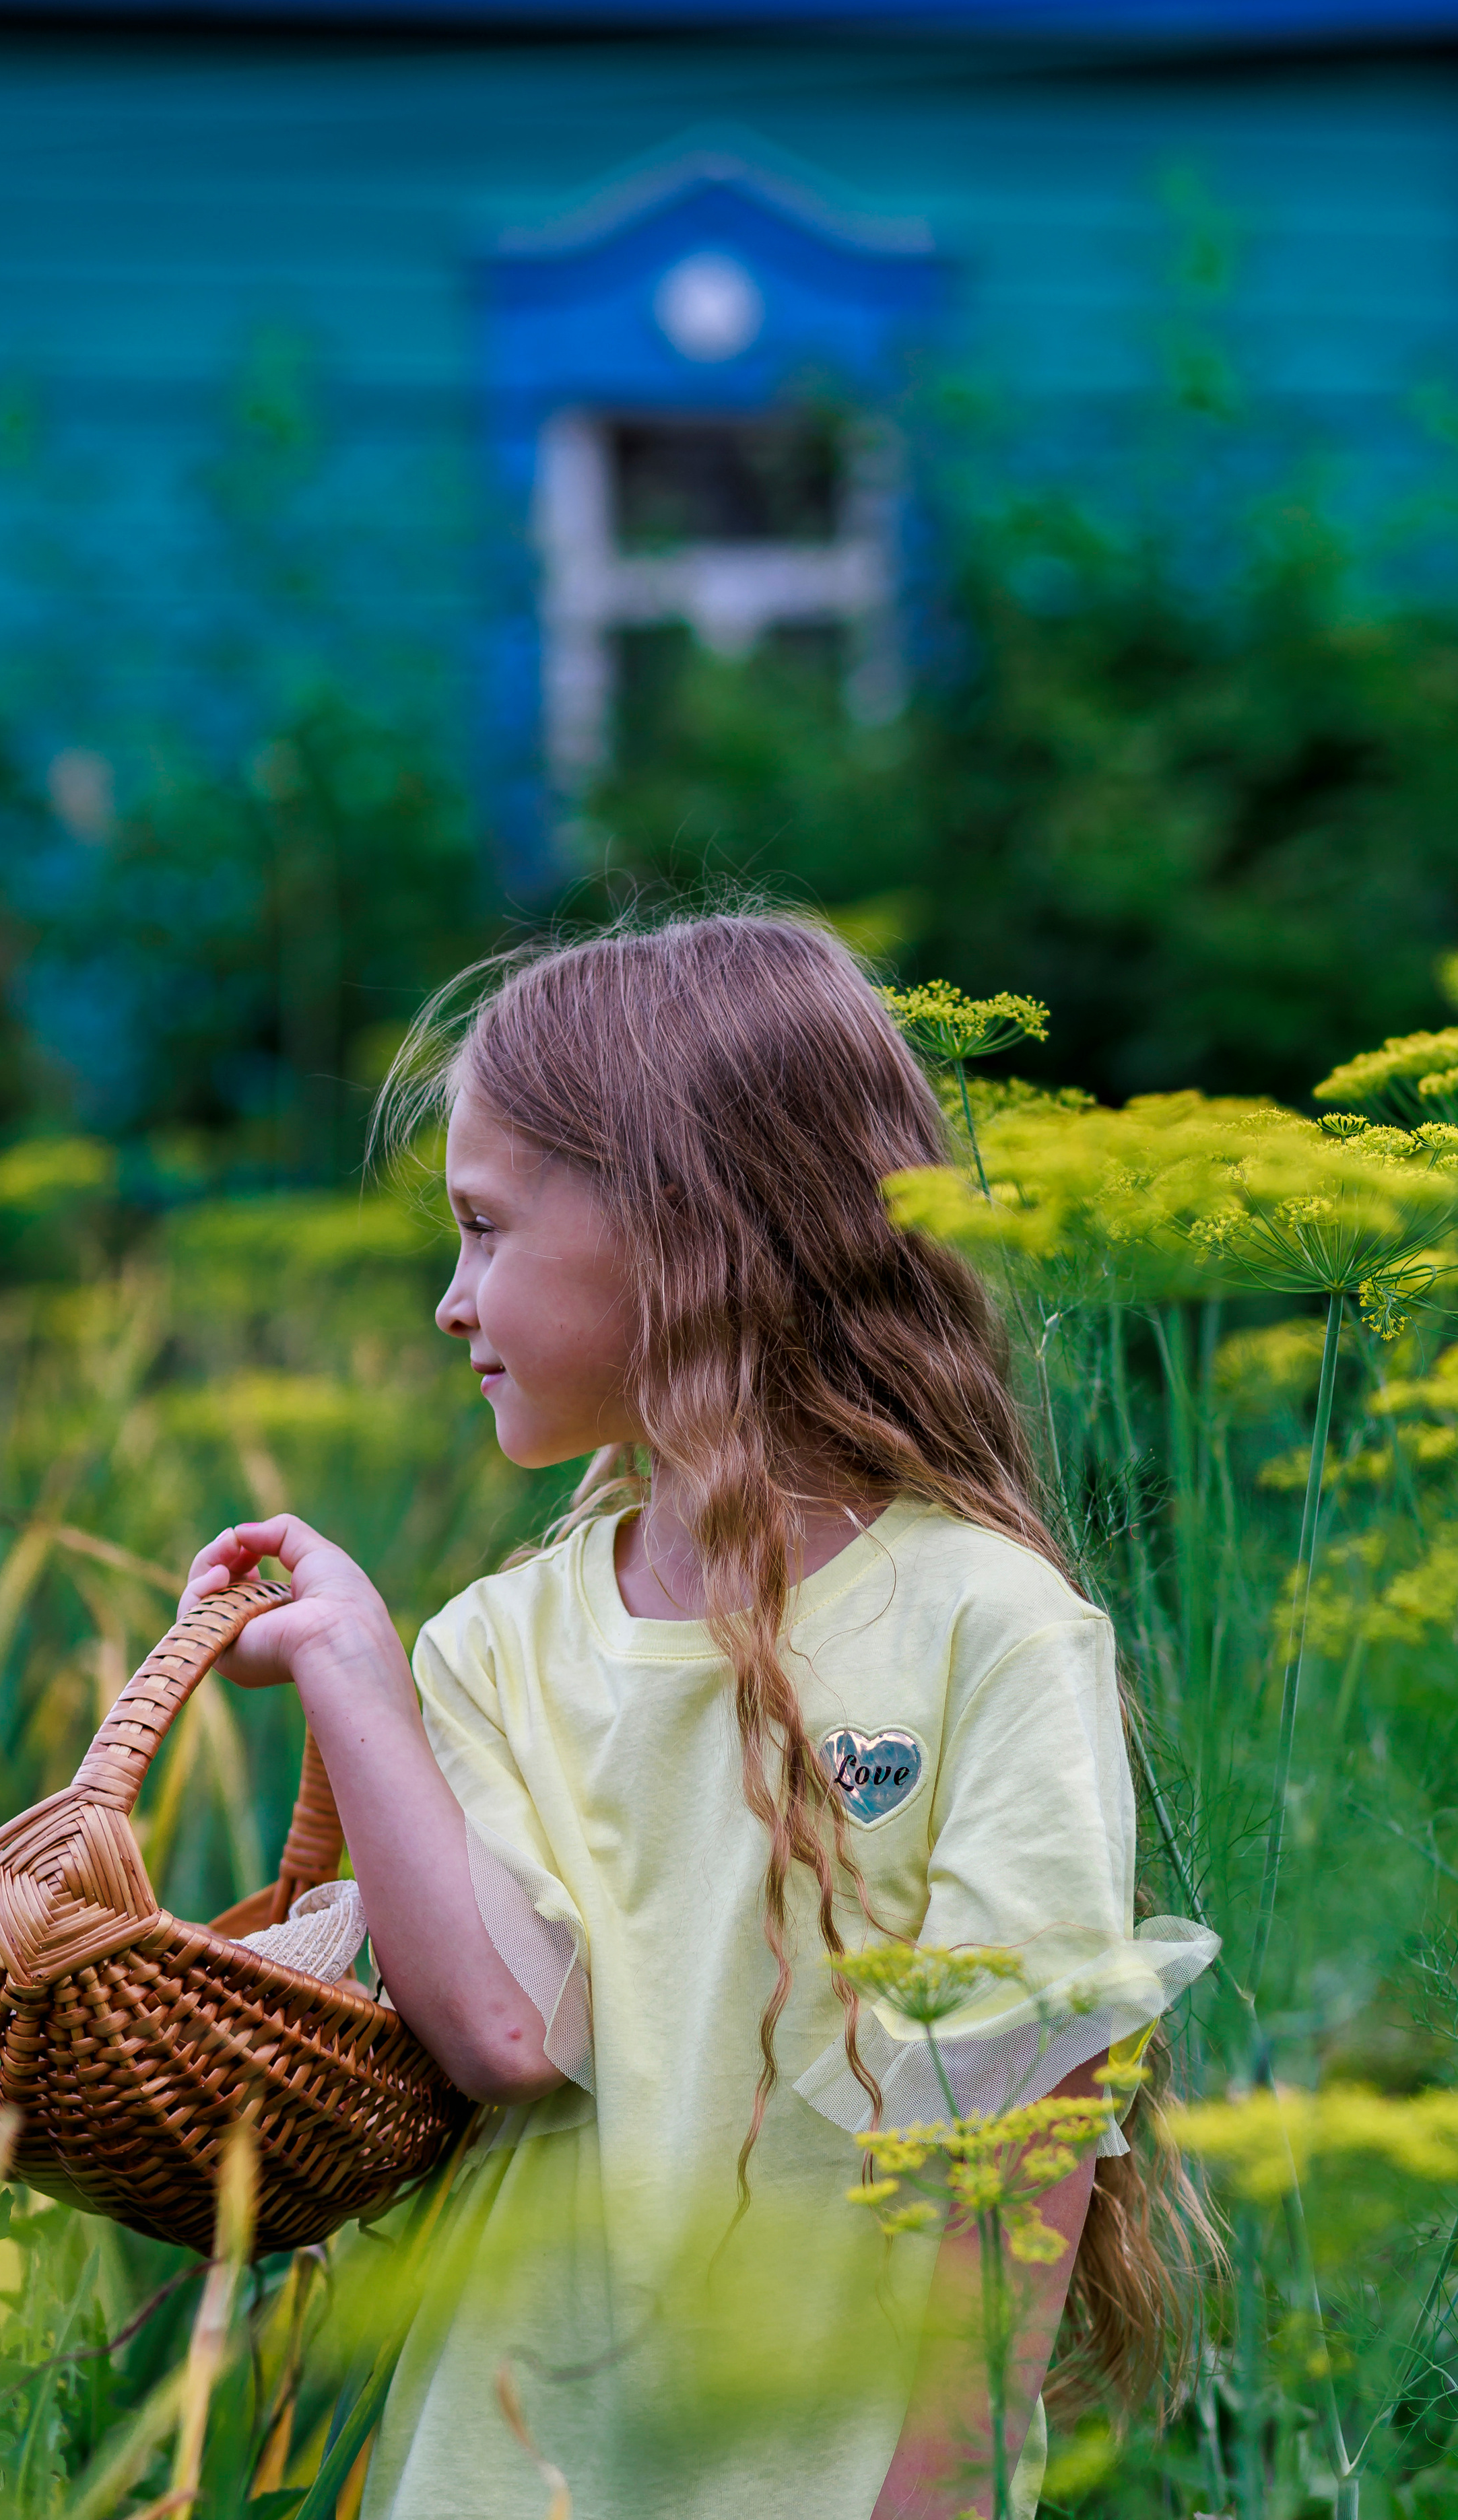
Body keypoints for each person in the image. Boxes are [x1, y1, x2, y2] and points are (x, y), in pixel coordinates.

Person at [178, 912, 1217, 2520]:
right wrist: (349, 1666)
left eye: (483, 1230)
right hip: (505, 2471)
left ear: (682, 1228)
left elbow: (1021, 2144)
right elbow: (510, 2038)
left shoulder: (988, 1631)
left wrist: (938, 2495)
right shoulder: (497, 1644)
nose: (452, 1304)